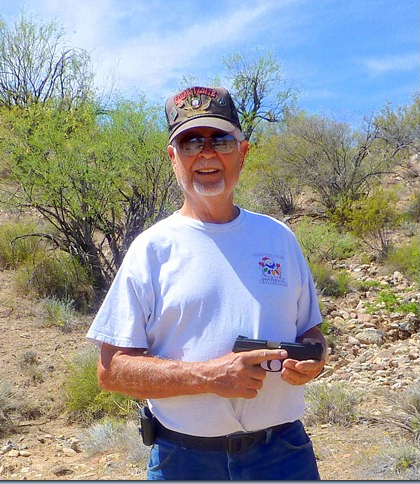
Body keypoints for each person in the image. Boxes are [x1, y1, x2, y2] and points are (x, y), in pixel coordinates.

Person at [86, 85, 327, 480]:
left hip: (283, 456)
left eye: (221, 140)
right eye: (191, 142)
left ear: (242, 153)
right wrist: (209, 376)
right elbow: (111, 371)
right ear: (173, 157)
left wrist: (314, 360)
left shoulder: (279, 238)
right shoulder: (151, 249)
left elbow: (311, 333)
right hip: (184, 461)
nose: (207, 153)